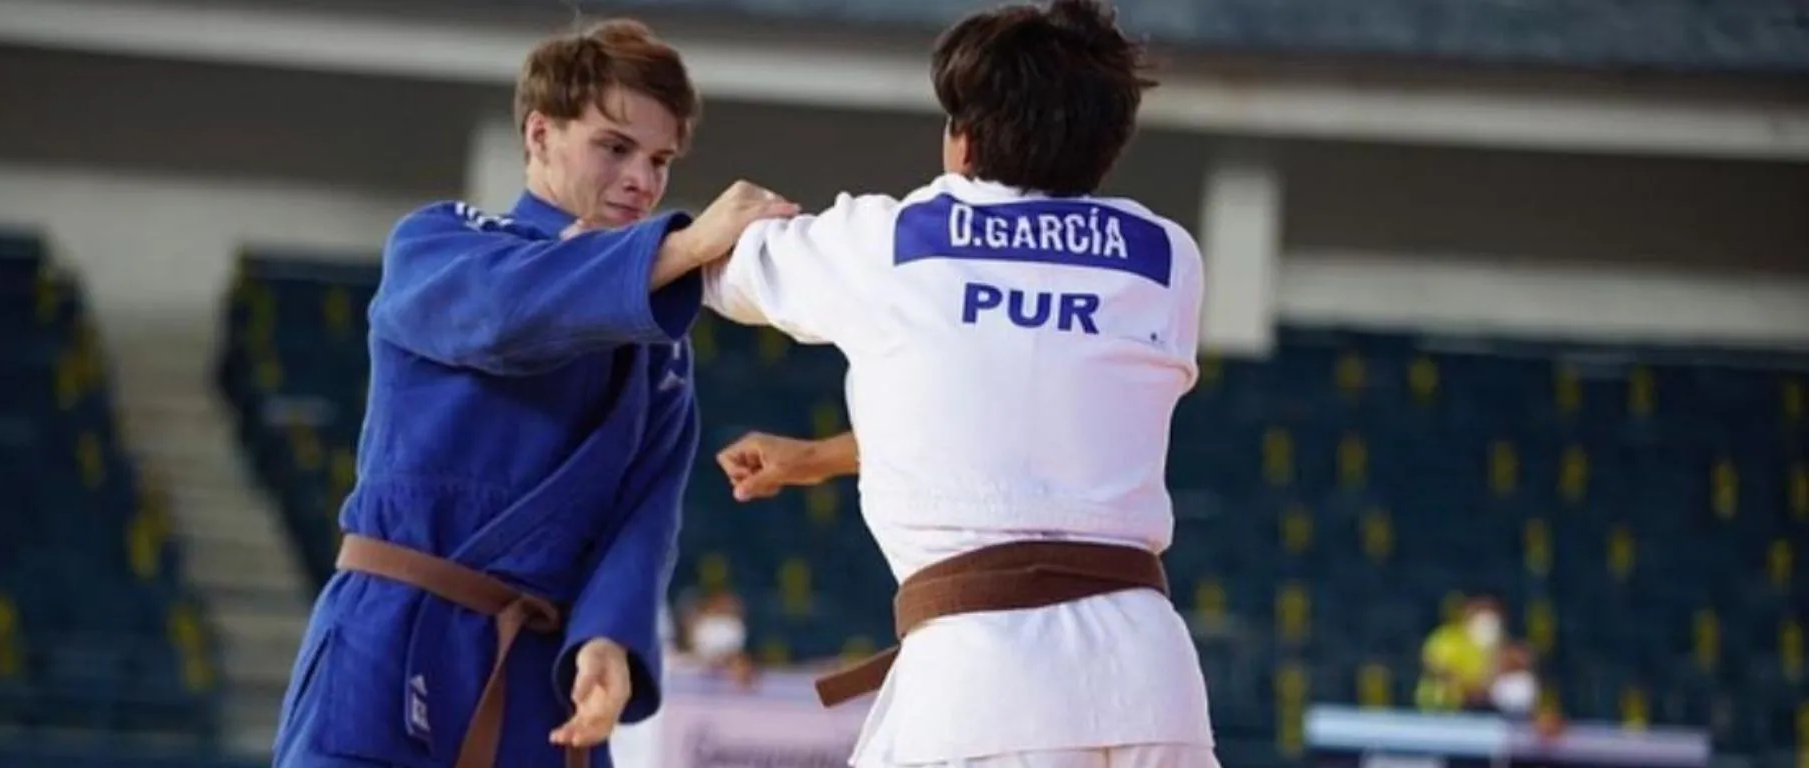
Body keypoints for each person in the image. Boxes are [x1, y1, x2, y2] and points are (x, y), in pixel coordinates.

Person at [701, 2, 1217, 767]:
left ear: (964, 139)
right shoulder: (1167, 262)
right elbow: (1023, 420)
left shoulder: (890, 243)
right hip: (1152, 686)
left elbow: (714, 270)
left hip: (983, 692)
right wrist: (818, 459)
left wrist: (719, 222)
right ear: (1106, 147)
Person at [271, 18, 797, 768]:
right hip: (396, 633)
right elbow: (504, 318)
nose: (641, 181)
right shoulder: (439, 243)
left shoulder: (657, 338)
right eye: (614, 148)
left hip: (547, 669)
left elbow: (645, 512)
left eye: (660, 159)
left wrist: (611, 637)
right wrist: (683, 246)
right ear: (540, 133)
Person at [1416, 596, 1506, 712]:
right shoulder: (1447, 636)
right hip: (1443, 705)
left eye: (1491, 609)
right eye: (1480, 609)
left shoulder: (1493, 643)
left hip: (1482, 704)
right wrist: (1466, 688)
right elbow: (1437, 667)